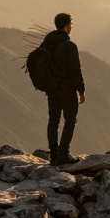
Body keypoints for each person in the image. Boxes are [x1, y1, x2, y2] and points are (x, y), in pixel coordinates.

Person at [39, 12, 85, 165]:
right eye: (71, 24)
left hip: (51, 89)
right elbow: (75, 70)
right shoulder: (69, 46)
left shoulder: (47, 43)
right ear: (66, 26)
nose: (71, 27)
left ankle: (53, 156)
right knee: (70, 120)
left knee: (53, 121)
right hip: (67, 89)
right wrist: (81, 89)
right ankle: (64, 154)